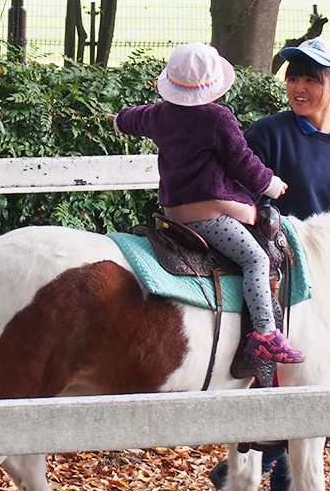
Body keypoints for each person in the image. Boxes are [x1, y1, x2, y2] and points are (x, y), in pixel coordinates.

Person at [210, 37, 330, 491]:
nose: (299, 87)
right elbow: (237, 193)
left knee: (312, 392)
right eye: (293, 77)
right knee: (280, 386)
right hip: (279, 281)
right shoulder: (268, 133)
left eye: (312, 78)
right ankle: (250, 483)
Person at [114, 42, 305, 365]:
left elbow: (133, 119)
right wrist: (270, 184)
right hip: (211, 215)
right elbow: (243, 162)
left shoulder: (161, 114)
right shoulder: (218, 119)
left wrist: (119, 120)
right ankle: (264, 334)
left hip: (175, 213)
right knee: (256, 260)